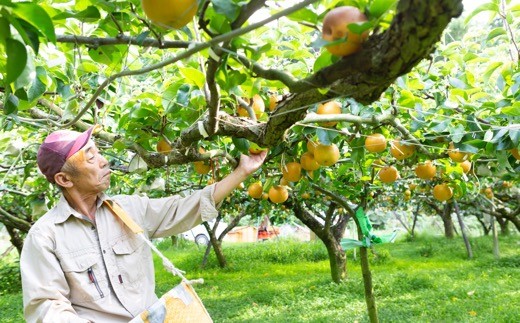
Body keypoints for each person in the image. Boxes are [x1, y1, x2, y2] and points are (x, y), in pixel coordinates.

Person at [20, 126, 267, 322]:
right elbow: (46, 307)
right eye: (91, 157)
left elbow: (185, 208)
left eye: (99, 152)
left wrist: (242, 172)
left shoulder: (129, 209)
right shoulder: (45, 236)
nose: (104, 161)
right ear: (64, 179)